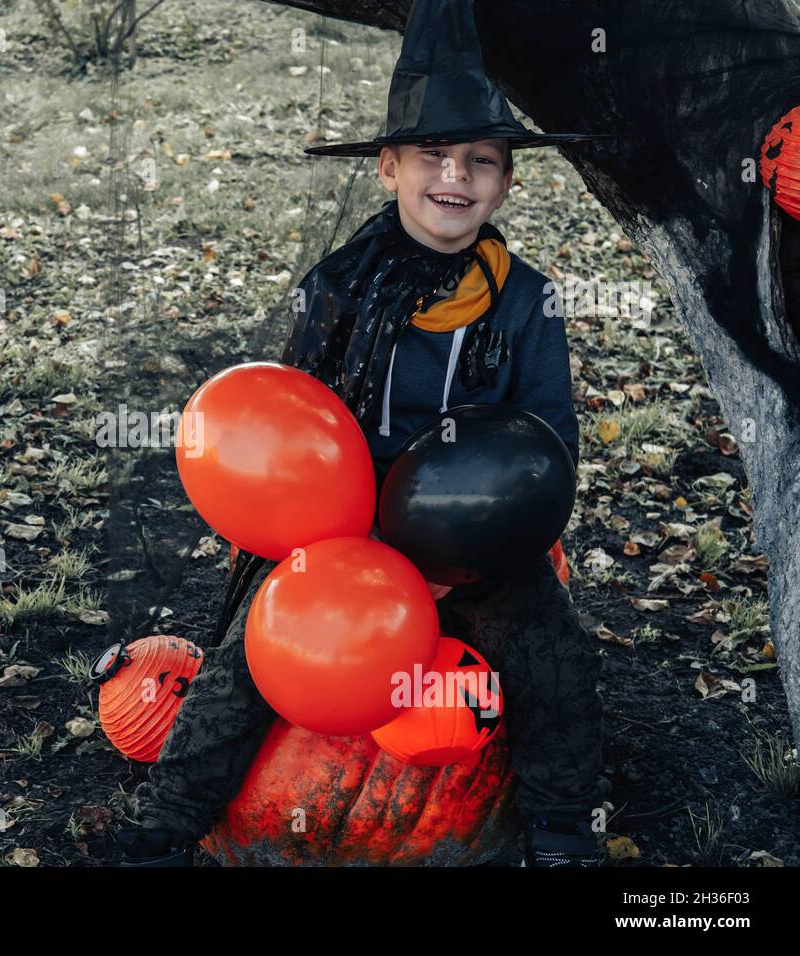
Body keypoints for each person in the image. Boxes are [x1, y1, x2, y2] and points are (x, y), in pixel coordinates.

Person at [115, 0, 614, 868]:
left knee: (557, 660)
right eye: (432, 155)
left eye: (480, 161)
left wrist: (473, 550)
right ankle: (165, 825)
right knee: (245, 671)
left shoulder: (528, 301)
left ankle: (564, 830)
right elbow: (286, 428)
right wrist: (307, 542)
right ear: (389, 166)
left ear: (504, 182)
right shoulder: (339, 289)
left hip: (476, 542)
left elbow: (548, 440)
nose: (453, 176)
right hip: (333, 536)